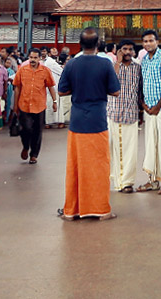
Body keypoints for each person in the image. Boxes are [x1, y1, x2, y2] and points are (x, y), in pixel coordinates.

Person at [58, 28, 120, 221]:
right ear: (98, 44)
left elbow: (61, 91)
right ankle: (101, 209)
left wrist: (78, 90)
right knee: (99, 166)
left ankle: (72, 210)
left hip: (77, 121)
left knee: (75, 166)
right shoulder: (105, 64)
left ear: (80, 44)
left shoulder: (72, 64)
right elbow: (115, 91)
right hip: (97, 120)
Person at [137, 30, 161, 195]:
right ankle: (152, 180)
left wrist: (157, 107)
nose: (148, 44)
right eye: (145, 41)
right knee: (150, 143)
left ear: (157, 41)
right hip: (149, 108)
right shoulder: (145, 60)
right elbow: (143, 84)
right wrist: (145, 105)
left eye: (151, 41)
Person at [13, 48, 57, 165]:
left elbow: (51, 86)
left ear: (39, 58)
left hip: (39, 105)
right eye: (31, 57)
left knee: (37, 131)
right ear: (28, 58)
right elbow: (17, 88)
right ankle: (26, 146)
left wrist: (55, 101)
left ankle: (34, 155)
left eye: (35, 58)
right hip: (24, 104)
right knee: (25, 129)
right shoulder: (22, 70)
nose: (33, 60)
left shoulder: (45, 71)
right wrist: (15, 105)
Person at [108, 40, 141, 193]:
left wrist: (141, 111)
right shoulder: (112, 67)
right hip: (115, 112)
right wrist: (117, 63)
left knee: (131, 151)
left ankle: (127, 182)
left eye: (130, 49)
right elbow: (109, 84)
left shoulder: (138, 67)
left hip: (131, 113)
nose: (127, 52)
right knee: (114, 148)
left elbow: (140, 90)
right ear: (118, 51)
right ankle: (118, 180)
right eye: (124, 49)